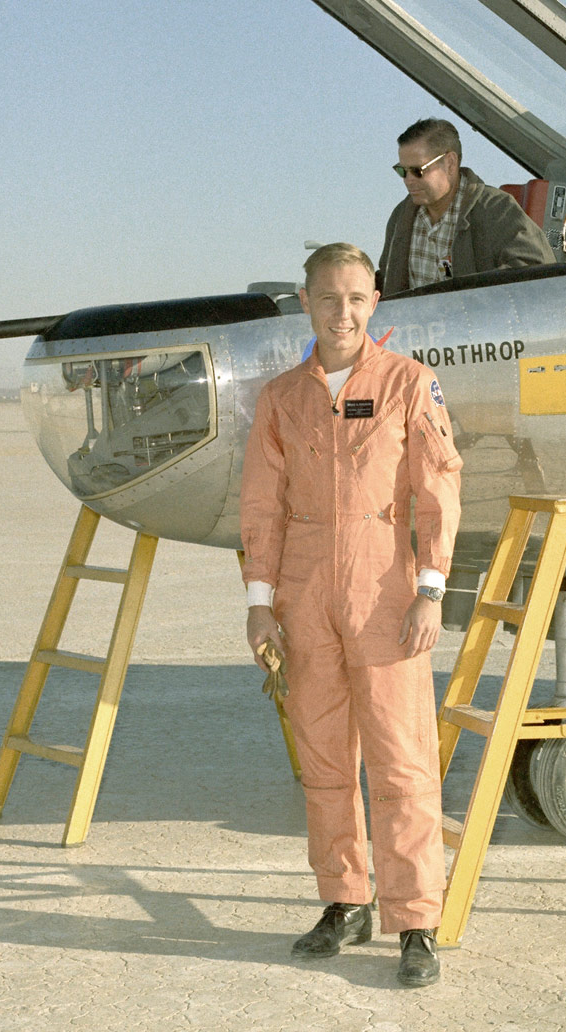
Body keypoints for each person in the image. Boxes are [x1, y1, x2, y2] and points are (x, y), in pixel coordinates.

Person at [240, 242, 463, 988]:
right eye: (330, 298)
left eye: (358, 298)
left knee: (402, 762)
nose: (344, 313)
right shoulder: (281, 398)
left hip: (385, 595)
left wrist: (430, 588)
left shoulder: (408, 383)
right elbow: (261, 506)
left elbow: (437, 490)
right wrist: (260, 605)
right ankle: (345, 901)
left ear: (375, 303)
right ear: (305, 302)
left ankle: (416, 921)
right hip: (303, 597)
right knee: (325, 761)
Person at [378, 117, 556, 293]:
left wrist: (476, 299)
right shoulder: (400, 218)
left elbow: (536, 274)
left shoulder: (496, 210)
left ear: (450, 163)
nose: (408, 180)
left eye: (418, 171)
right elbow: (387, 279)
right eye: (402, 171)